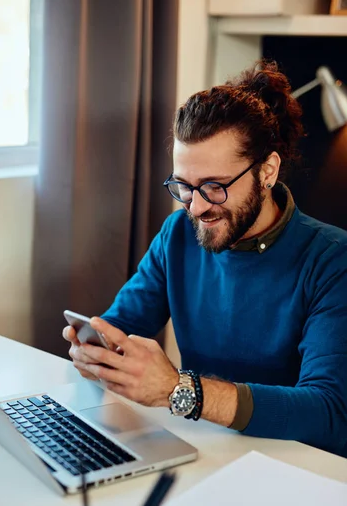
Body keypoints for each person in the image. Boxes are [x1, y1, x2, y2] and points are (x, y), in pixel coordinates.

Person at [63, 60, 347, 458]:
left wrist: (180, 391)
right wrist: (94, 351)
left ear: (267, 171)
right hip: (201, 451)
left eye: (214, 187)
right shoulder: (178, 236)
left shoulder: (333, 261)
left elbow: (329, 412)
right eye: (184, 185)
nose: (195, 207)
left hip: (296, 470)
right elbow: (120, 325)